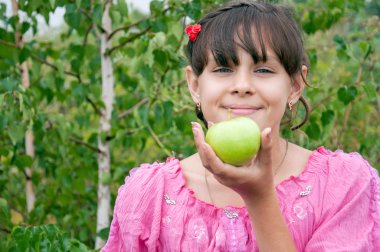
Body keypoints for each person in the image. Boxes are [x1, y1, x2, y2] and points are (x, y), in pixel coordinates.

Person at [102, 0, 380, 251]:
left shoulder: (344, 186)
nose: (243, 86)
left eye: (263, 70)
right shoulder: (149, 196)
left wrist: (259, 198)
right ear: (195, 85)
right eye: (223, 69)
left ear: (295, 86)